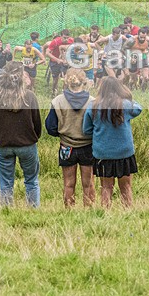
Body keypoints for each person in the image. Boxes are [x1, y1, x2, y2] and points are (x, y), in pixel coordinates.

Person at [0, 62, 42, 208]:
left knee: (6, 183)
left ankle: (6, 210)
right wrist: (34, 137)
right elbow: (37, 122)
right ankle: (33, 210)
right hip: (27, 144)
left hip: (3, 144)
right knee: (32, 181)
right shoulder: (29, 97)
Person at [82, 77, 142, 209]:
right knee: (126, 186)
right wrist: (125, 93)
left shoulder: (93, 106)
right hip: (124, 152)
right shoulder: (125, 105)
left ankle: (105, 213)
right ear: (118, 89)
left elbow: (86, 130)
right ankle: (128, 212)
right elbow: (139, 108)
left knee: (106, 187)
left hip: (102, 153)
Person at [46, 69, 96, 208]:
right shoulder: (92, 102)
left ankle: (69, 210)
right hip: (88, 146)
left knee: (68, 183)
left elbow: (50, 127)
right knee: (89, 183)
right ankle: (89, 211)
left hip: (66, 146)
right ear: (84, 81)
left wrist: (62, 133)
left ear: (66, 81)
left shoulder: (58, 101)